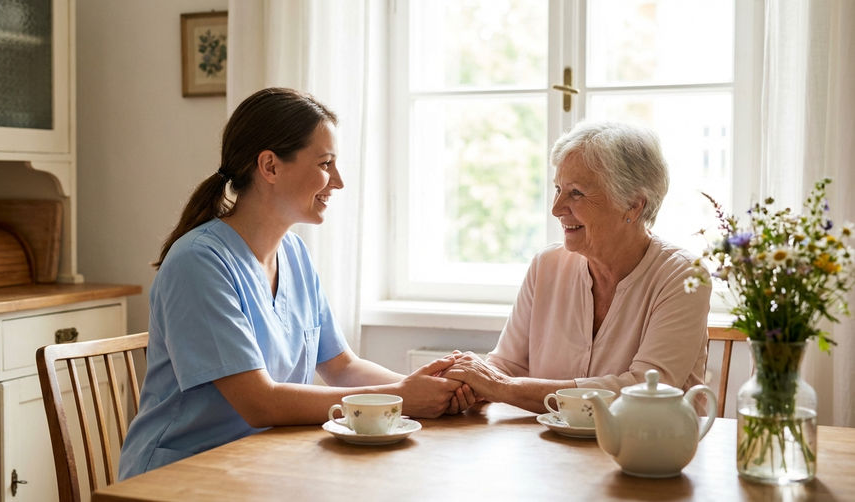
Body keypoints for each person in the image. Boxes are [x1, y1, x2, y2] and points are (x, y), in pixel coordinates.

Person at [119, 87, 474, 480]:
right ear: (269, 166)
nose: (337, 181)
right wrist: (401, 399)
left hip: (262, 465)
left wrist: (433, 388)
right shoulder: (198, 263)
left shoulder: (295, 255)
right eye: (325, 163)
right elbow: (261, 403)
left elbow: (342, 366)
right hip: (180, 477)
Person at [442, 120, 711, 414]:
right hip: (552, 450)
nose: (557, 208)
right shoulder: (547, 266)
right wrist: (467, 383)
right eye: (558, 188)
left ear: (634, 204)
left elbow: (645, 393)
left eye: (576, 193)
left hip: (654, 454)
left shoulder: (684, 276)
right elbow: (507, 366)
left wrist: (500, 387)